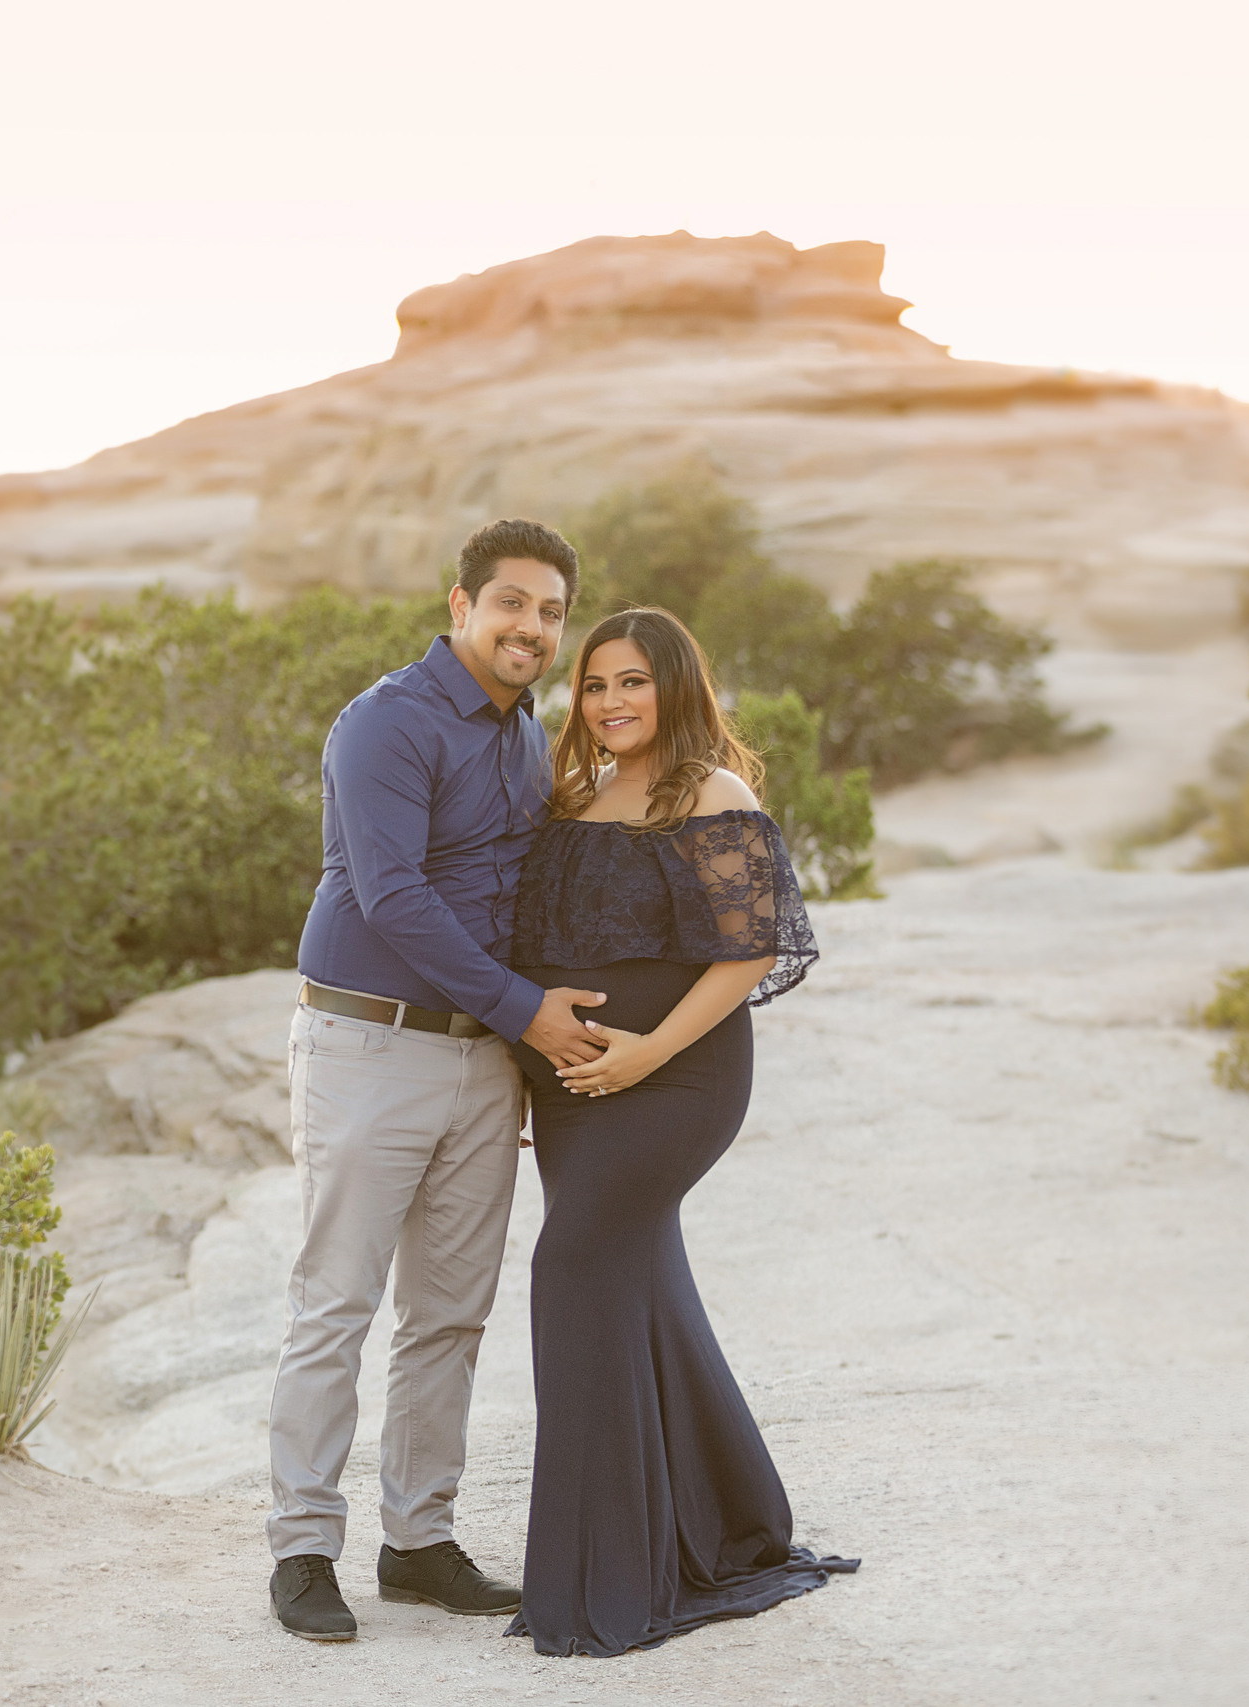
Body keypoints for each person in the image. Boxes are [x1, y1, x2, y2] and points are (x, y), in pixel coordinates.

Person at [266, 518, 608, 1643]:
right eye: (511, 603)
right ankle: (304, 1550)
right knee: (336, 1305)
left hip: (479, 1063)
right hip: (372, 1046)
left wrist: (518, 1040)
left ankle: (417, 1540)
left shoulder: (523, 737)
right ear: (459, 605)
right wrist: (531, 1015)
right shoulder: (386, 724)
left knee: (449, 1316)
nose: (533, 628)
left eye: (551, 612)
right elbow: (393, 897)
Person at [504, 605, 857, 1658]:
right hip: (574, 1094)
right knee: (637, 1277)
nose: (610, 703)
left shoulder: (713, 791)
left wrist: (645, 1053)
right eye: (595, 684)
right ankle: (728, 1522)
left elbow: (749, 954)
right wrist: (538, 1078)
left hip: (676, 1083)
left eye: (632, 683)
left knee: (571, 1270)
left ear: (675, 688)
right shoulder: (568, 794)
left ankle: (603, 1573)